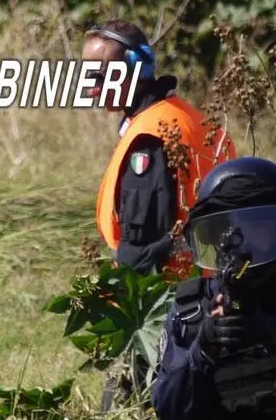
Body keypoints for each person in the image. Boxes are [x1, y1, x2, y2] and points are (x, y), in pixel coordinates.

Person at [151, 156, 276, 420]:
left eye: (256, 227)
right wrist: (203, 352)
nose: (241, 243)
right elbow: (174, 412)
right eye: (226, 229)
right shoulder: (195, 309)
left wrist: (269, 333)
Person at [86, 20, 235, 278]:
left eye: (101, 76)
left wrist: (123, 310)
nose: (92, 89)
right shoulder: (197, 121)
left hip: (173, 300)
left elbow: (141, 252)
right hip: (218, 288)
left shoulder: (149, 138)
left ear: (137, 68)